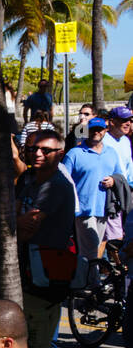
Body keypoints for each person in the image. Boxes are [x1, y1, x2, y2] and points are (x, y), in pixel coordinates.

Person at [61, 116, 122, 290]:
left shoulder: (111, 153)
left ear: (105, 131)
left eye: (100, 130)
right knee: (91, 248)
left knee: (91, 250)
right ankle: (92, 284)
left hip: (104, 208)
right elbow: (63, 178)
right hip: (82, 210)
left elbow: (120, 175)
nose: (96, 133)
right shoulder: (75, 153)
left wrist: (113, 180)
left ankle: (79, 284)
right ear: (87, 131)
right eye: (93, 129)